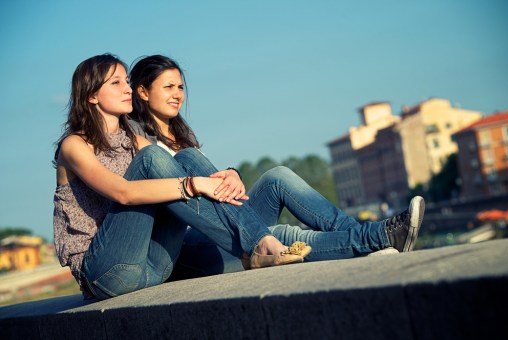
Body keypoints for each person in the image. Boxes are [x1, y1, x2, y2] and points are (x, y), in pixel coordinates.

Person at [127, 54, 425, 279]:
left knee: (277, 178)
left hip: (226, 228)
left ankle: (363, 235)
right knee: (282, 234)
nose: (178, 93)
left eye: (180, 86)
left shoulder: (179, 137)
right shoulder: (141, 145)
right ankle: (378, 238)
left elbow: (214, 188)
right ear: (142, 92)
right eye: (168, 87)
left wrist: (232, 174)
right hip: (188, 249)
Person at [53, 54, 311, 300]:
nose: (128, 89)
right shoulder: (74, 146)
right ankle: (258, 243)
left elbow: (178, 169)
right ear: (91, 96)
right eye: (116, 82)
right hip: (107, 273)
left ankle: (257, 242)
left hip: (155, 267)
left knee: (187, 157)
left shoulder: (133, 140)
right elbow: (124, 193)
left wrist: (227, 177)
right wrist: (196, 184)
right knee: (153, 157)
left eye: (127, 82)